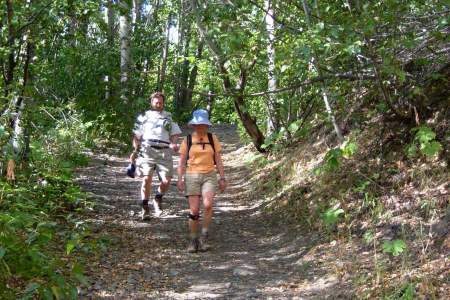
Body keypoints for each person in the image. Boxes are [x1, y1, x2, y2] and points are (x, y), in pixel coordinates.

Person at [177, 109, 226, 253]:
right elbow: (181, 162)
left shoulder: (212, 138)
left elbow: (218, 159)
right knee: (194, 210)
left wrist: (222, 178)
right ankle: (193, 240)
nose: (200, 127)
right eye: (197, 124)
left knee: (208, 204)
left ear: (207, 125)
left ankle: (203, 237)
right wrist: (179, 179)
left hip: (209, 175)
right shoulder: (187, 140)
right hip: (192, 175)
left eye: (203, 124)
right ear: (193, 125)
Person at [130, 92, 182, 220]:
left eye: (161, 102)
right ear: (151, 103)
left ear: (163, 103)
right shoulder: (144, 117)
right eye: (156, 102)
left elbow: (175, 132)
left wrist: (174, 143)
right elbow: (136, 135)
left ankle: (158, 198)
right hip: (147, 150)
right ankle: (145, 206)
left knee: (166, 181)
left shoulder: (169, 117)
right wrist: (135, 150)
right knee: (146, 179)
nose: (158, 104)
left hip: (164, 151)